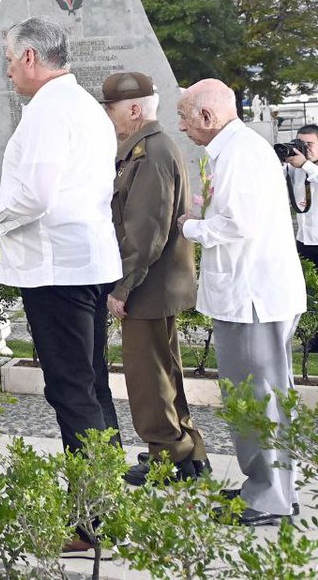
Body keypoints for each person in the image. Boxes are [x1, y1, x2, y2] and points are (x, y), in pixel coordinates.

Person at [0, 17, 124, 455]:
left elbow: (37, 197)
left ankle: (91, 517)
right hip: (86, 262)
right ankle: (105, 502)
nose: (8, 71)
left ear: (30, 57)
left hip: (57, 270)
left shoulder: (48, 110)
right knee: (91, 383)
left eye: (9, 60)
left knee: (71, 389)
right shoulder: (85, 107)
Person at [177, 79, 304, 527]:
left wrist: (189, 227)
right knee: (257, 397)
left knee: (257, 398)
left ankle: (269, 495)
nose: (182, 126)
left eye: (185, 116)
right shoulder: (234, 149)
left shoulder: (239, 153)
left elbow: (238, 224)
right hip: (251, 294)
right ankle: (269, 486)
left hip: (254, 297)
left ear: (207, 117)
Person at [99, 71, 209, 486]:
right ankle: (184, 448)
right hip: (158, 282)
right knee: (164, 368)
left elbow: (145, 230)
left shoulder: (151, 152)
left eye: (111, 109)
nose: (110, 118)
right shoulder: (146, 149)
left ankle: (167, 454)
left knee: (147, 376)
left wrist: (122, 287)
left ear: (132, 109)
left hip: (148, 284)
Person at [284, 124, 318, 267]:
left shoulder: (305, 166)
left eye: (309, 144)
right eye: (300, 144)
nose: (305, 148)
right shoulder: (295, 168)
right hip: (303, 239)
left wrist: (305, 164)